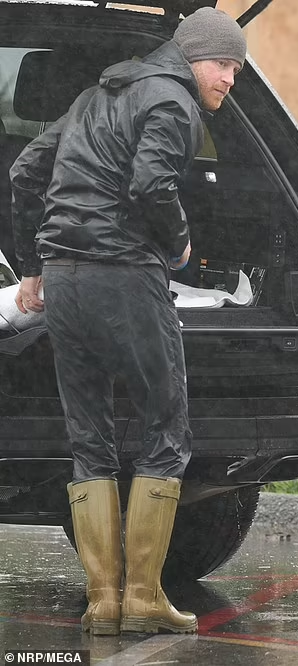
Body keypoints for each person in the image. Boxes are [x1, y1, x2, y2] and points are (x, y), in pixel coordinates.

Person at [10, 7, 247, 636]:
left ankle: (102, 601)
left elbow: (26, 171)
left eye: (236, 68)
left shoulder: (94, 96)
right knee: (165, 425)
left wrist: (33, 266)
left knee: (89, 435)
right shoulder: (173, 102)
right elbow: (151, 184)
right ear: (196, 57)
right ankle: (143, 597)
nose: (230, 79)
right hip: (124, 274)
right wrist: (179, 247)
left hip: (65, 280)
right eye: (225, 64)